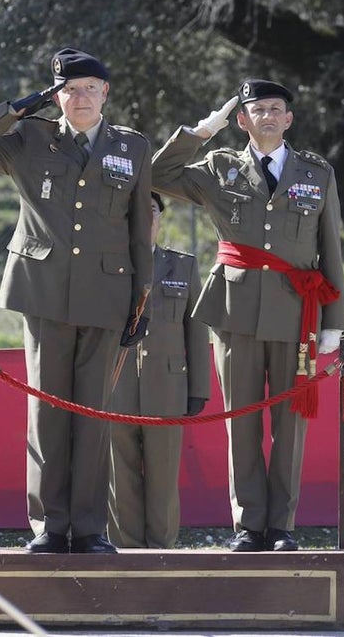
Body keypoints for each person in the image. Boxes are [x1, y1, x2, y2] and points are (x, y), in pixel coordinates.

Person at [0, 48, 153, 554]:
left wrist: (140, 301)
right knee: (47, 412)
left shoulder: (132, 147)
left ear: (106, 92)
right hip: (43, 293)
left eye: (89, 88)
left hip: (108, 292)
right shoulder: (29, 139)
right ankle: (48, 526)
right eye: (68, 89)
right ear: (54, 94)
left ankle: (88, 529)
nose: (79, 97)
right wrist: (17, 108)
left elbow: (137, 230)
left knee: (92, 415)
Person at [151, 79, 344, 552]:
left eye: (276, 109)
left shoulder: (316, 173)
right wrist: (204, 129)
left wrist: (333, 321)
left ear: (289, 119)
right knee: (240, 418)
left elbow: (330, 250)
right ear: (241, 119)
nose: (267, 116)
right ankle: (248, 524)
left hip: (297, 312)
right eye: (256, 110)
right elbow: (158, 172)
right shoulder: (219, 168)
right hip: (235, 310)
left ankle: (281, 526)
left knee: (289, 422)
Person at [107, 192, 211, 549]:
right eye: (137, 212)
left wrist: (199, 388)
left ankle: (162, 554)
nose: (145, 217)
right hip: (114, 385)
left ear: (160, 219)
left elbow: (197, 330)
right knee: (120, 474)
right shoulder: (108, 265)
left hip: (167, 386)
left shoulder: (181, 266)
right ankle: (126, 552)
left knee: (164, 476)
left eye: (152, 210)